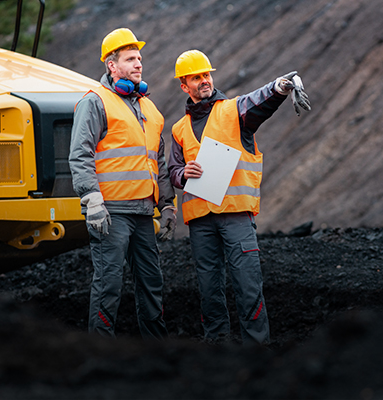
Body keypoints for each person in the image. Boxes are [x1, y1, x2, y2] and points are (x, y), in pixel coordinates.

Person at [168, 49, 310, 344]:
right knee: (209, 289)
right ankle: (217, 349)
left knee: (247, 285)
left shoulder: (233, 110)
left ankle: (256, 350)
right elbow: (172, 170)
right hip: (201, 223)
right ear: (185, 86)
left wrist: (280, 86)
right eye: (197, 77)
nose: (204, 81)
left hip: (236, 216)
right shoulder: (179, 129)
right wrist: (183, 174)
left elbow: (259, 101)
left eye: (207, 75)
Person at [69, 28, 177, 340]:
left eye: (140, 58)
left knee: (151, 284)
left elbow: (156, 161)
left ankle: (156, 354)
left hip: (143, 213)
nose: (139, 63)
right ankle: (100, 354)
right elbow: (79, 154)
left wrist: (167, 204)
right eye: (130, 59)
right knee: (109, 284)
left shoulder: (150, 109)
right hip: (110, 213)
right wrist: (91, 200)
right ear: (112, 65)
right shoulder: (95, 102)